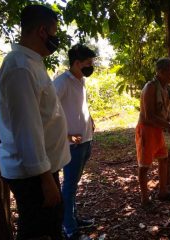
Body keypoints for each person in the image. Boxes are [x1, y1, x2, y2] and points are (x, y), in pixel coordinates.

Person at [0, 5, 70, 240]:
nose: (56, 38)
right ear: (42, 31)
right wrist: (45, 179)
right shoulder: (20, 67)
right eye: (54, 32)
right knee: (39, 232)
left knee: (50, 226)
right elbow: (27, 128)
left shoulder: (31, 61)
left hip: (42, 169)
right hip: (33, 175)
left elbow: (43, 116)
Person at [53, 44, 96, 240]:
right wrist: (67, 136)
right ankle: (69, 228)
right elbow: (49, 113)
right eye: (88, 63)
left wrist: (91, 119)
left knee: (74, 184)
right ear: (76, 63)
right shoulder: (62, 82)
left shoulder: (81, 80)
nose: (91, 66)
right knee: (69, 186)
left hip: (86, 140)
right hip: (73, 144)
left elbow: (79, 106)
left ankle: (73, 217)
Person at [135, 57, 170, 210]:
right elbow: (149, 116)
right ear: (160, 72)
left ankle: (163, 191)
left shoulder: (165, 88)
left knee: (163, 159)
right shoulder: (151, 87)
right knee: (145, 165)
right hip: (147, 130)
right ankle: (145, 199)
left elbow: (165, 113)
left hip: (160, 130)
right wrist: (168, 125)